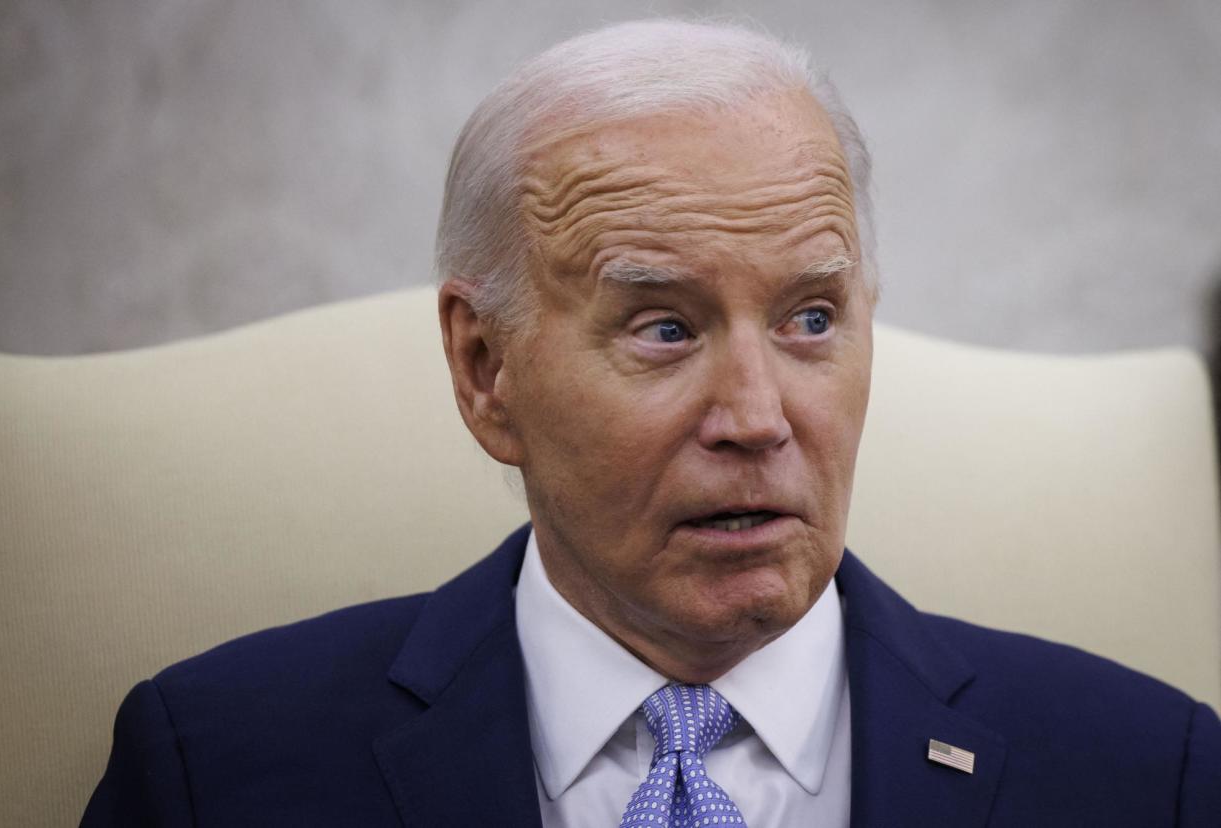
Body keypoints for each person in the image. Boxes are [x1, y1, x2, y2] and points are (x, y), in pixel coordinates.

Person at [81, 19, 1220, 827]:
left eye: (810, 318)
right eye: (664, 329)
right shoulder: (215, 768)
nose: (756, 417)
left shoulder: (1148, 774)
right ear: (485, 372)